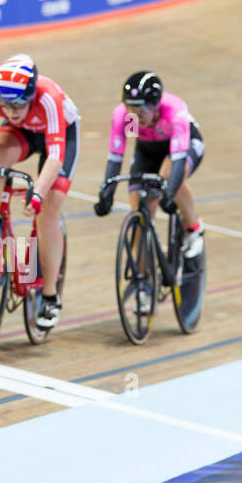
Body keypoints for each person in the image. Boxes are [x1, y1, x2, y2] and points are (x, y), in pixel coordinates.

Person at [0, 54, 79, 330]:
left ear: (32, 95)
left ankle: (49, 297)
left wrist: (38, 194)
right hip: (23, 133)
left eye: (19, 103)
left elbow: (56, 155)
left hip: (59, 135)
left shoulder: (49, 98)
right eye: (6, 105)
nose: (11, 110)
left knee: (47, 211)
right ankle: (1, 222)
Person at [94, 72, 206, 313]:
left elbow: (177, 160)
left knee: (166, 179)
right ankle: (143, 285)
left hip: (183, 148)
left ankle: (193, 229)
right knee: (140, 215)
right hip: (147, 151)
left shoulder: (174, 111)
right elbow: (116, 156)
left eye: (142, 108)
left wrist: (169, 193)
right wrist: (107, 192)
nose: (136, 114)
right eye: (131, 107)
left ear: (156, 106)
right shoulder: (126, 117)